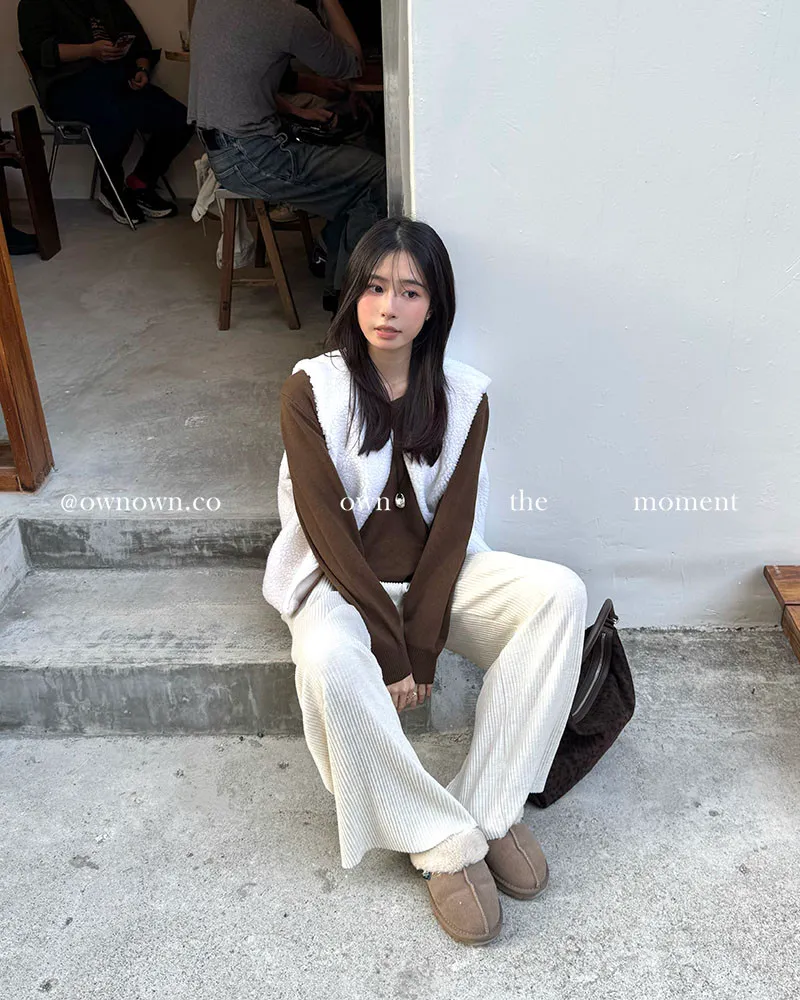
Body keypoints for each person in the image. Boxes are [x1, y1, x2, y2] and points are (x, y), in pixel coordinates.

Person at [262, 217, 589, 945]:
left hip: (441, 580)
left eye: (410, 292)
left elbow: (454, 528)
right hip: (339, 585)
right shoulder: (311, 390)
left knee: (559, 593)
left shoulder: (464, 397)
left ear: (434, 305)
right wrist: (391, 647)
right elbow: (327, 530)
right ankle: (439, 838)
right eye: (375, 287)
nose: (389, 308)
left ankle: (490, 808)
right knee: (326, 658)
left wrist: (423, 642)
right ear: (353, 292)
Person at [188, 0, 387, 316]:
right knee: (378, 177)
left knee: (352, 169)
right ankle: (351, 303)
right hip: (253, 156)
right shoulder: (287, 15)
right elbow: (352, 64)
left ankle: (337, 284)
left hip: (222, 146)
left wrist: (299, 107)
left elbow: (249, 67)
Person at [18, 0, 195, 226]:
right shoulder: (35, 4)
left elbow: (140, 44)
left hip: (118, 82)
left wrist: (142, 69)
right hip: (68, 87)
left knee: (180, 118)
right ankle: (111, 186)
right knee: (117, 112)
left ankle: (141, 183)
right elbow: (38, 51)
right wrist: (90, 50)